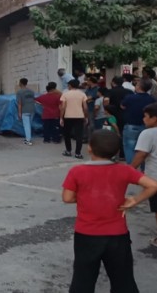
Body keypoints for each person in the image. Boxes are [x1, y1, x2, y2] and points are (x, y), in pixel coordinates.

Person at [62, 129, 157, 293]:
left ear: (89, 148)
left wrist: (86, 197)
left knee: (83, 278)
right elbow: (153, 185)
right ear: (117, 150)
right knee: (123, 279)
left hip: (86, 234)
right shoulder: (125, 170)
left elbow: (67, 198)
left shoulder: (77, 171)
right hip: (117, 235)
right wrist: (135, 200)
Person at [129, 103, 157, 247]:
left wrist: (128, 172)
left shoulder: (148, 133)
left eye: (146, 117)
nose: (143, 119)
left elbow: (141, 155)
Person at [121, 78, 156, 169]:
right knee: (144, 148)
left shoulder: (130, 97)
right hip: (146, 126)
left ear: (139, 87)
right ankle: (143, 168)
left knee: (129, 147)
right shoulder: (152, 99)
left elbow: (122, 106)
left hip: (131, 125)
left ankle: (131, 168)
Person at [105, 76, 134, 159]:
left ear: (113, 82)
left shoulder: (110, 91)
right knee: (124, 135)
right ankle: (123, 154)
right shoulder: (129, 91)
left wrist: (107, 109)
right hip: (125, 115)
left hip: (113, 116)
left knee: (113, 135)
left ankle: (113, 153)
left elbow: (106, 100)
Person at [60, 79, 88, 159]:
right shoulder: (82, 94)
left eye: (68, 85)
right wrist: (86, 117)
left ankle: (68, 151)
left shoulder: (65, 94)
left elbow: (63, 107)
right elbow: (85, 107)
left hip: (68, 117)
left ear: (70, 85)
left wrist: (61, 118)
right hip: (79, 116)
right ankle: (78, 153)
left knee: (67, 134)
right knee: (79, 135)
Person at [16, 78, 36, 145]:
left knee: (26, 126)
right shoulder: (31, 91)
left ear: (20, 83)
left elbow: (19, 103)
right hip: (32, 110)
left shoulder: (19, 92)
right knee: (29, 125)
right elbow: (33, 100)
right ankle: (28, 138)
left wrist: (19, 113)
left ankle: (28, 140)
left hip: (25, 110)